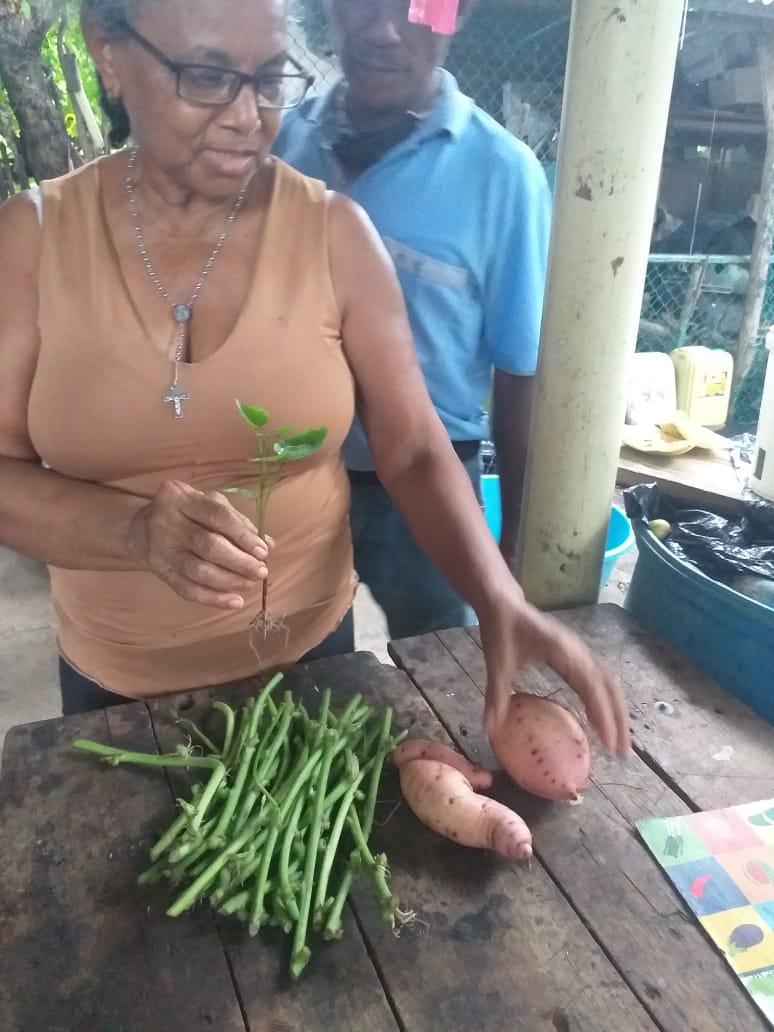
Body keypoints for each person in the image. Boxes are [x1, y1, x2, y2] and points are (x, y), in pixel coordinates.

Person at [0, 0, 628, 755]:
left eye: (271, 81)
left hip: (310, 668)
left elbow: (414, 447)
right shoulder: (32, 243)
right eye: (206, 77)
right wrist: (130, 531)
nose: (248, 118)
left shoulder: (335, 234)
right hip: (114, 688)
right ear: (107, 49)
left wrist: (497, 593)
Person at [274, 0, 550, 639]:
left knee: (443, 660)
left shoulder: (503, 174)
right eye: (362, 5)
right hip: (291, 468)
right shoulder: (278, 144)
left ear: (460, 13)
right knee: (298, 657)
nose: (383, 30)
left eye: (416, 7)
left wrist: (513, 538)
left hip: (431, 478)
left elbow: (518, 369)